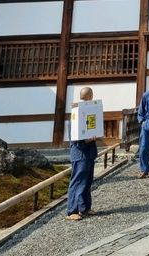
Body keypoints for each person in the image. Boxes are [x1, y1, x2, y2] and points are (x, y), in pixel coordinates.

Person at [66, 86, 98, 221]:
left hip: (89, 151)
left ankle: (84, 207)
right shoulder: (76, 113)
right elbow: (76, 137)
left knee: (87, 180)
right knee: (77, 180)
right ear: (88, 97)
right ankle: (71, 210)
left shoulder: (90, 111)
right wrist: (86, 140)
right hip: (80, 152)